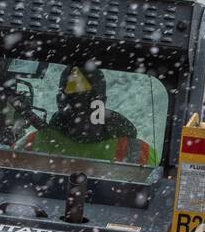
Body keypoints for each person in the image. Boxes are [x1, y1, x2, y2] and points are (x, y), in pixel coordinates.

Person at [20, 64, 151, 163]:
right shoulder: (137, 152)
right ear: (103, 102)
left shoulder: (30, 144)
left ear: (59, 101)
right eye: (74, 99)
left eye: (85, 101)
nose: (80, 111)